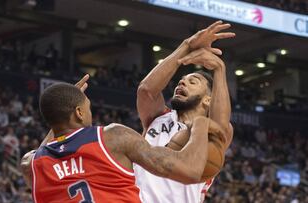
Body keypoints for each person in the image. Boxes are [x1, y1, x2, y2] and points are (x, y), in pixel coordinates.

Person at [20, 76, 225, 203]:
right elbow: (191, 171)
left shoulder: (31, 164)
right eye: (89, 107)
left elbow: (44, 150)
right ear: (80, 113)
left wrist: (60, 114)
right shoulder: (112, 137)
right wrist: (200, 125)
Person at [134, 20, 235, 202]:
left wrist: (219, 69)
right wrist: (187, 45)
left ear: (208, 100)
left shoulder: (210, 132)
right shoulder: (158, 117)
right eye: (182, 80)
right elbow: (146, 91)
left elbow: (221, 124)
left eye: (193, 81)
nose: (182, 82)